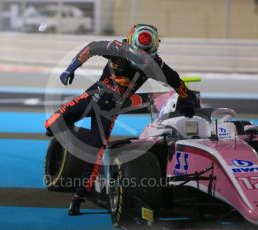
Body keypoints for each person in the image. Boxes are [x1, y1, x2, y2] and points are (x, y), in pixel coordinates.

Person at [45, 24, 196, 216]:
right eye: (137, 55)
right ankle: (59, 136)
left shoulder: (156, 64)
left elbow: (176, 81)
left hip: (110, 110)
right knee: (52, 123)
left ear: (153, 50)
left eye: (145, 56)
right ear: (131, 43)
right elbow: (90, 47)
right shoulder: (116, 47)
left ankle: (79, 197)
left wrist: (187, 99)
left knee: (95, 151)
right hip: (93, 96)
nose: (141, 59)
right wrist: (70, 68)